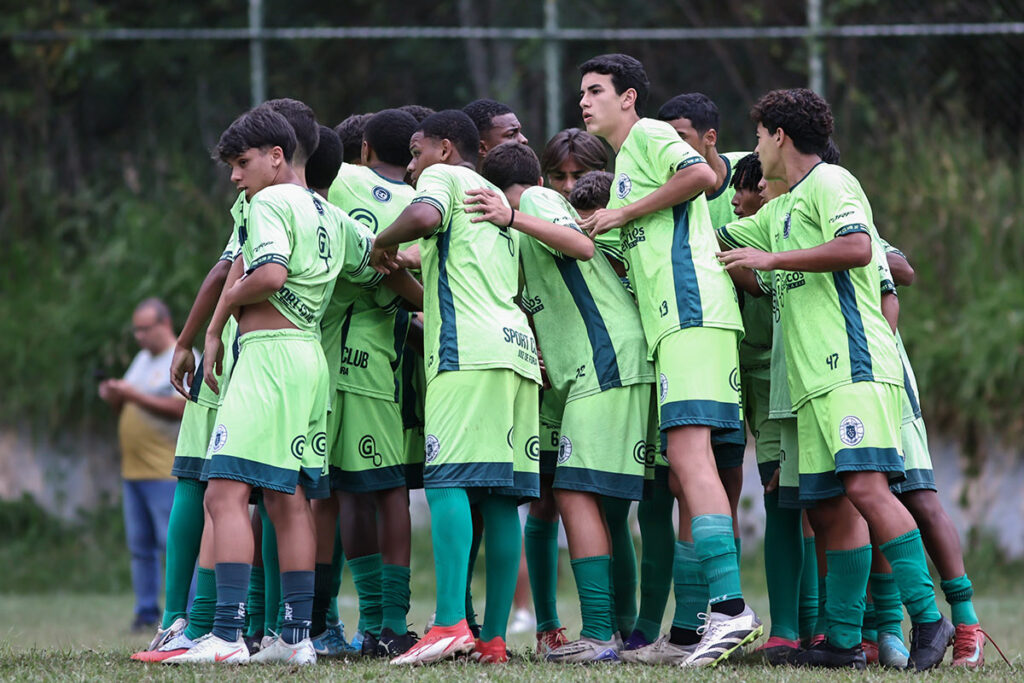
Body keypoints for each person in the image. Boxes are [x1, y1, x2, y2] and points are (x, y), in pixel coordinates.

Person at [717, 87, 952, 671]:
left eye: (757, 136)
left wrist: (771, 260)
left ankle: (929, 619)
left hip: (853, 366)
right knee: (832, 507)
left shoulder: (831, 183)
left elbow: (856, 247)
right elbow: (715, 237)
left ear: (778, 136)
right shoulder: (780, 209)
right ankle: (843, 643)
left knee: (870, 490)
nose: (754, 148)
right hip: (811, 384)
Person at [577, 53, 760, 667]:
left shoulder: (652, 134)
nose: (585, 101)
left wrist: (624, 212)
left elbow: (703, 179)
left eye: (596, 90)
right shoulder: (626, 162)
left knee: (689, 456)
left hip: (692, 314)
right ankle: (688, 633)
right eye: (582, 92)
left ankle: (731, 610)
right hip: (675, 326)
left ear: (628, 98)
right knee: (685, 469)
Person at [472, 141, 654, 663]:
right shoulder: (517, 226)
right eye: (562, 174)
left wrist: (512, 214)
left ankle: (598, 635)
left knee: (576, 494)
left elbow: (582, 248)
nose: (570, 184)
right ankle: (607, 631)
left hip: (607, 360)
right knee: (579, 496)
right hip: (584, 371)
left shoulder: (536, 201)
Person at [370, 110, 541, 666]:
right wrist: (395, 269)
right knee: (499, 496)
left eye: (417, 154)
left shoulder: (443, 179)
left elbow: (421, 216)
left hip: (467, 354)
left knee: (445, 481)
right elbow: (440, 287)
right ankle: (492, 639)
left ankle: (447, 623)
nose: (412, 166)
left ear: (445, 148)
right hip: (515, 351)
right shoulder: (497, 198)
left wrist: (381, 239)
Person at [321, 108, 423, 659]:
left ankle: (339, 623)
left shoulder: (336, 182)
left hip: (321, 349)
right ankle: (390, 623)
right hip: (374, 356)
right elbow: (418, 271)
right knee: (386, 490)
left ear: (361, 148)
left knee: (337, 493)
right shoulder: (420, 198)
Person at [99, 298, 190, 633]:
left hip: (165, 470)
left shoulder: (180, 356)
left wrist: (132, 395)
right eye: (135, 329)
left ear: (164, 324)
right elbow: (129, 405)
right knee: (140, 548)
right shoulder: (141, 360)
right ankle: (146, 612)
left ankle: (187, 613)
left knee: (176, 545)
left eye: (144, 328)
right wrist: (116, 396)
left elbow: (183, 408)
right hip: (133, 472)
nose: (138, 336)